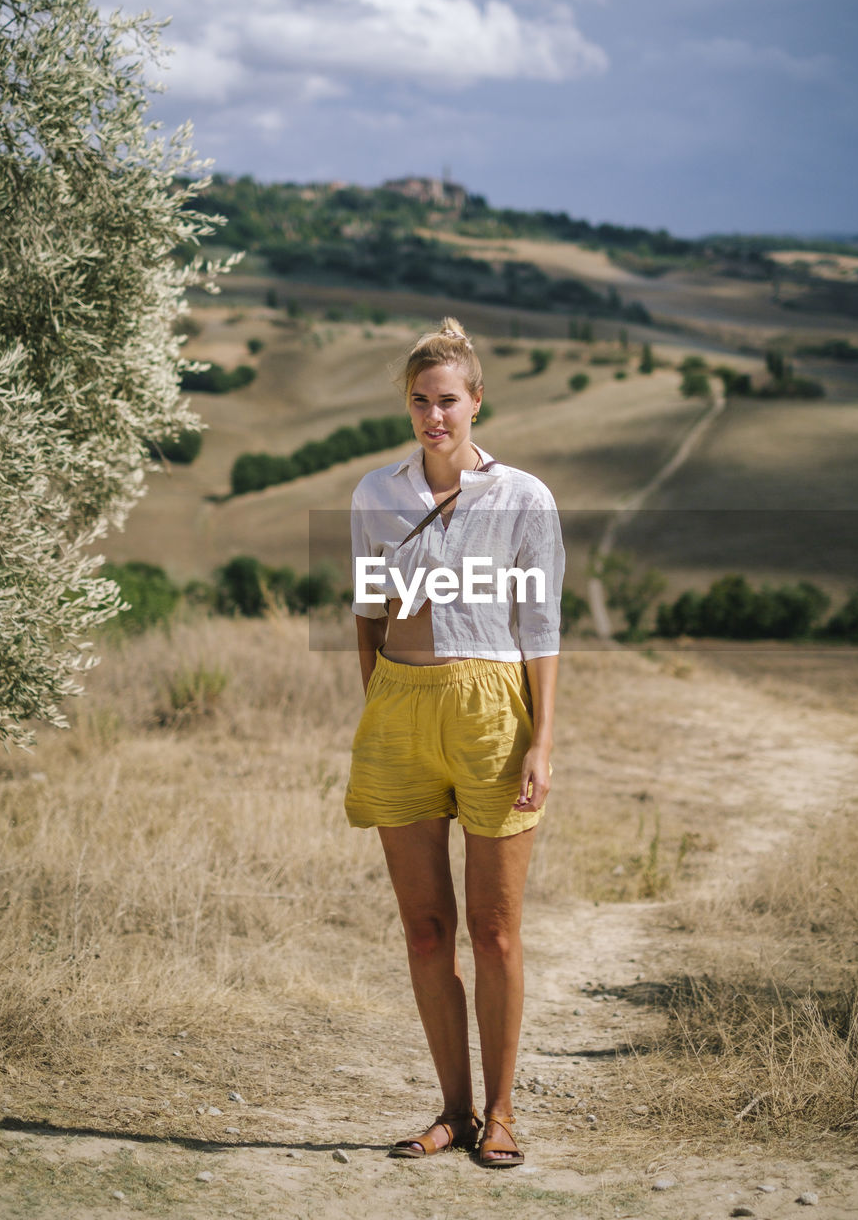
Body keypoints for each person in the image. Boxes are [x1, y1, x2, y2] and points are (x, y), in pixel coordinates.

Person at [345, 316, 564, 1168]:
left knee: (495, 928)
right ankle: (454, 1111)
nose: (433, 416)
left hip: (490, 711)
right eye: (419, 402)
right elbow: (366, 614)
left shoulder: (524, 499)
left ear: (477, 402)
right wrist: (380, 704)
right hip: (400, 709)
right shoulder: (374, 494)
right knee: (426, 932)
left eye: (448, 401)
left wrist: (542, 743)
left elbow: (541, 627)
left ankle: (504, 1113)